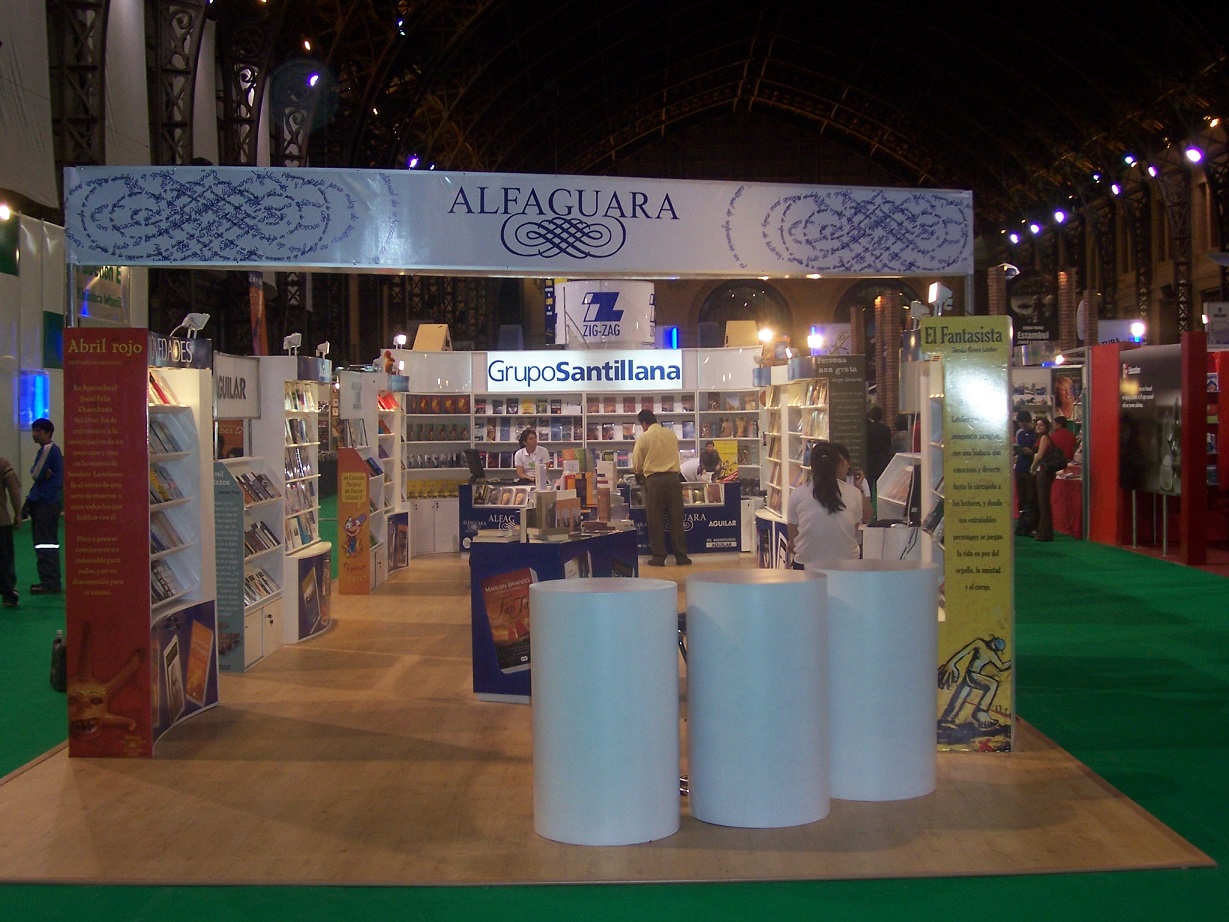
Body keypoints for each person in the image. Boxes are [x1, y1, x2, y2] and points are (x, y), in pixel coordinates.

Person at [786, 440, 871, 566]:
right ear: (838, 464)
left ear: (810, 465)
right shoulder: (854, 493)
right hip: (847, 565)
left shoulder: (797, 494)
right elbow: (853, 530)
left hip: (807, 565)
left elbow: (793, 541)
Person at [632, 409, 691, 566]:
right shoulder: (671, 434)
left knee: (655, 519)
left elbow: (637, 462)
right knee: (676, 518)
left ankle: (659, 557)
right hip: (673, 479)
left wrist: (639, 472)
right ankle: (681, 556)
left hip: (654, 481)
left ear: (644, 423)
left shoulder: (644, 438)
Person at [27, 417, 63, 594]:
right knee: (45, 542)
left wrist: (41, 473)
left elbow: (35, 473)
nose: (34, 434)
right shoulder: (47, 451)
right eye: (34, 430)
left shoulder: (49, 450)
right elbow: (40, 473)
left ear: (48, 433)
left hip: (46, 503)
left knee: (45, 543)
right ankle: (49, 580)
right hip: (45, 502)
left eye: (38, 431)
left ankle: (50, 582)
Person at [0, 455, 23, 607]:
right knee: (5, 560)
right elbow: (14, 491)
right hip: (1, 522)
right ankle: (8, 595)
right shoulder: (3, 464)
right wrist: (18, 514)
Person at [1029, 417, 1056, 542]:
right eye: (1037, 424)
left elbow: (1039, 455)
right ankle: (1043, 531)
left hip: (1044, 472)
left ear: (1047, 427)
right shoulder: (1040, 438)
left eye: (1041, 425)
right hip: (1042, 472)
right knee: (1041, 502)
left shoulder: (1044, 438)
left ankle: (1045, 533)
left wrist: (1032, 467)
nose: (1038, 427)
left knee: (1043, 503)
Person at [1013, 408, 1038, 537]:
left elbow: (1040, 450)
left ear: (1030, 422)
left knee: (1032, 498)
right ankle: (1022, 525)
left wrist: (1032, 452)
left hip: (1032, 469)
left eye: (1025, 425)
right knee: (1022, 499)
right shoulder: (1019, 433)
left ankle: (1033, 526)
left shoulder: (1037, 433)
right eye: (1021, 425)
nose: (1023, 427)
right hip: (1020, 468)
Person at [865, 405, 893, 488]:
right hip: (882, 459)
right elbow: (888, 445)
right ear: (881, 416)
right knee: (881, 483)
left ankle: (869, 499)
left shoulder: (866, 429)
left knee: (869, 483)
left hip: (869, 459)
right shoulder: (886, 429)